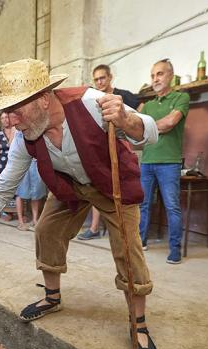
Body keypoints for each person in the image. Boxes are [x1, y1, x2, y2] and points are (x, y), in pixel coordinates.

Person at [0, 58, 163, 349]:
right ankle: (52, 297)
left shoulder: (91, 102)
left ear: (43, 99)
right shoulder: (25, 136)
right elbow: (3, 187)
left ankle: (140, 327)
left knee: (128, 248)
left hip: (110, 186)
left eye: (15, 110)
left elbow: (150, 132)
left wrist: (127, 121)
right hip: (70, 187)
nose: (10, 120)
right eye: (6, 112)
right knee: (45, 229)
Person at [78, 64, 142, 240]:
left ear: (110, 77)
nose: (99, 82)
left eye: (102, 78)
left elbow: (141, 112)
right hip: (100, 150)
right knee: (97, 187)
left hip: (122, 149)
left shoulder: (124, 95)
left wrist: (128, 130)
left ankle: (125, 229)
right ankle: (94, 227)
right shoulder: (91, 98)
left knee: (125, 188)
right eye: (96, 79)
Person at [139, 59, 190, 264]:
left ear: (170, 75)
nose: (155, 79)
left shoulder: (181, 98)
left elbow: (171, 122)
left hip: (169, 162)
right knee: (142, 205)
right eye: (152, 75)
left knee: (172, 206)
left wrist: (146, 127)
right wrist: (144, 127)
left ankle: (175, 249)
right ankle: (140, 242)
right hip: (147, 161)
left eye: (159, 74)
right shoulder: (148, 105)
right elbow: (135, 128)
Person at [15, 152, 47, 231]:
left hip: (36, 163)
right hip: (22, 163)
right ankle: (20, 221)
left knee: (36, 192)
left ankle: (35, 220)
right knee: (19, 193)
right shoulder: (17, 139)